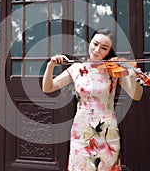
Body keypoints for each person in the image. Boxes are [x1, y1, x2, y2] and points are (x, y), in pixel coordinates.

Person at [42, 28, 143, 171]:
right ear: (90, 42)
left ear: (110, 51)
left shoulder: (113, 70)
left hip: (108, 131)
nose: (97, 50)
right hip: (81, 131)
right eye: (95, 44)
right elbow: (48, 87)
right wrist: (50, 65)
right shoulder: (77, 68)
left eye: (104, 48)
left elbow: (136, 95)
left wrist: (133, 76)